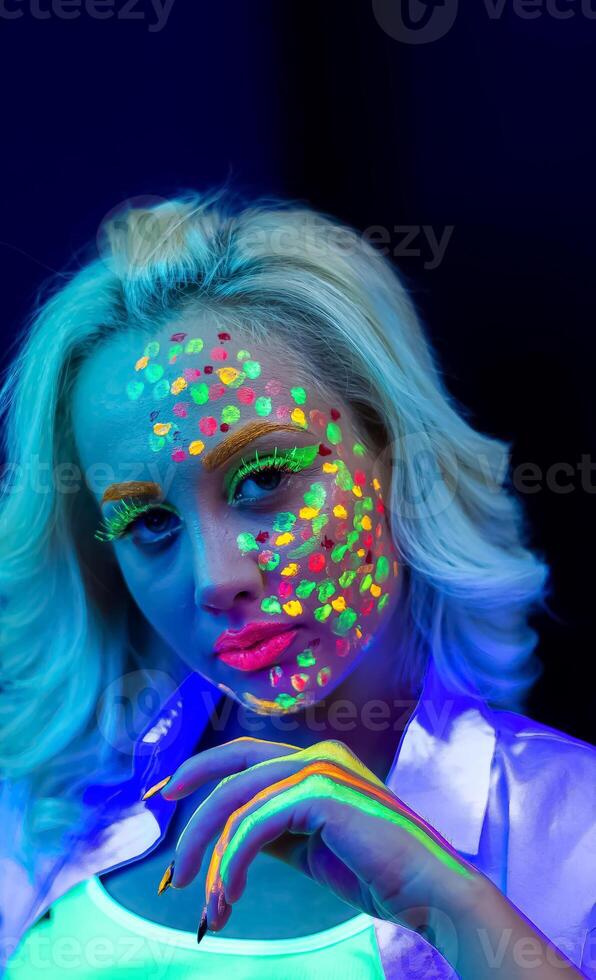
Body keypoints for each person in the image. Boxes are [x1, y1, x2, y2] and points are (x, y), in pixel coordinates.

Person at [0, 190, 593, 979]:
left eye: (264, 478)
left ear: (394, 453)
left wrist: (453, 907)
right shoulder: (32, 825)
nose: (218, 579)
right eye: (149, 524)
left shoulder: (578, 828)